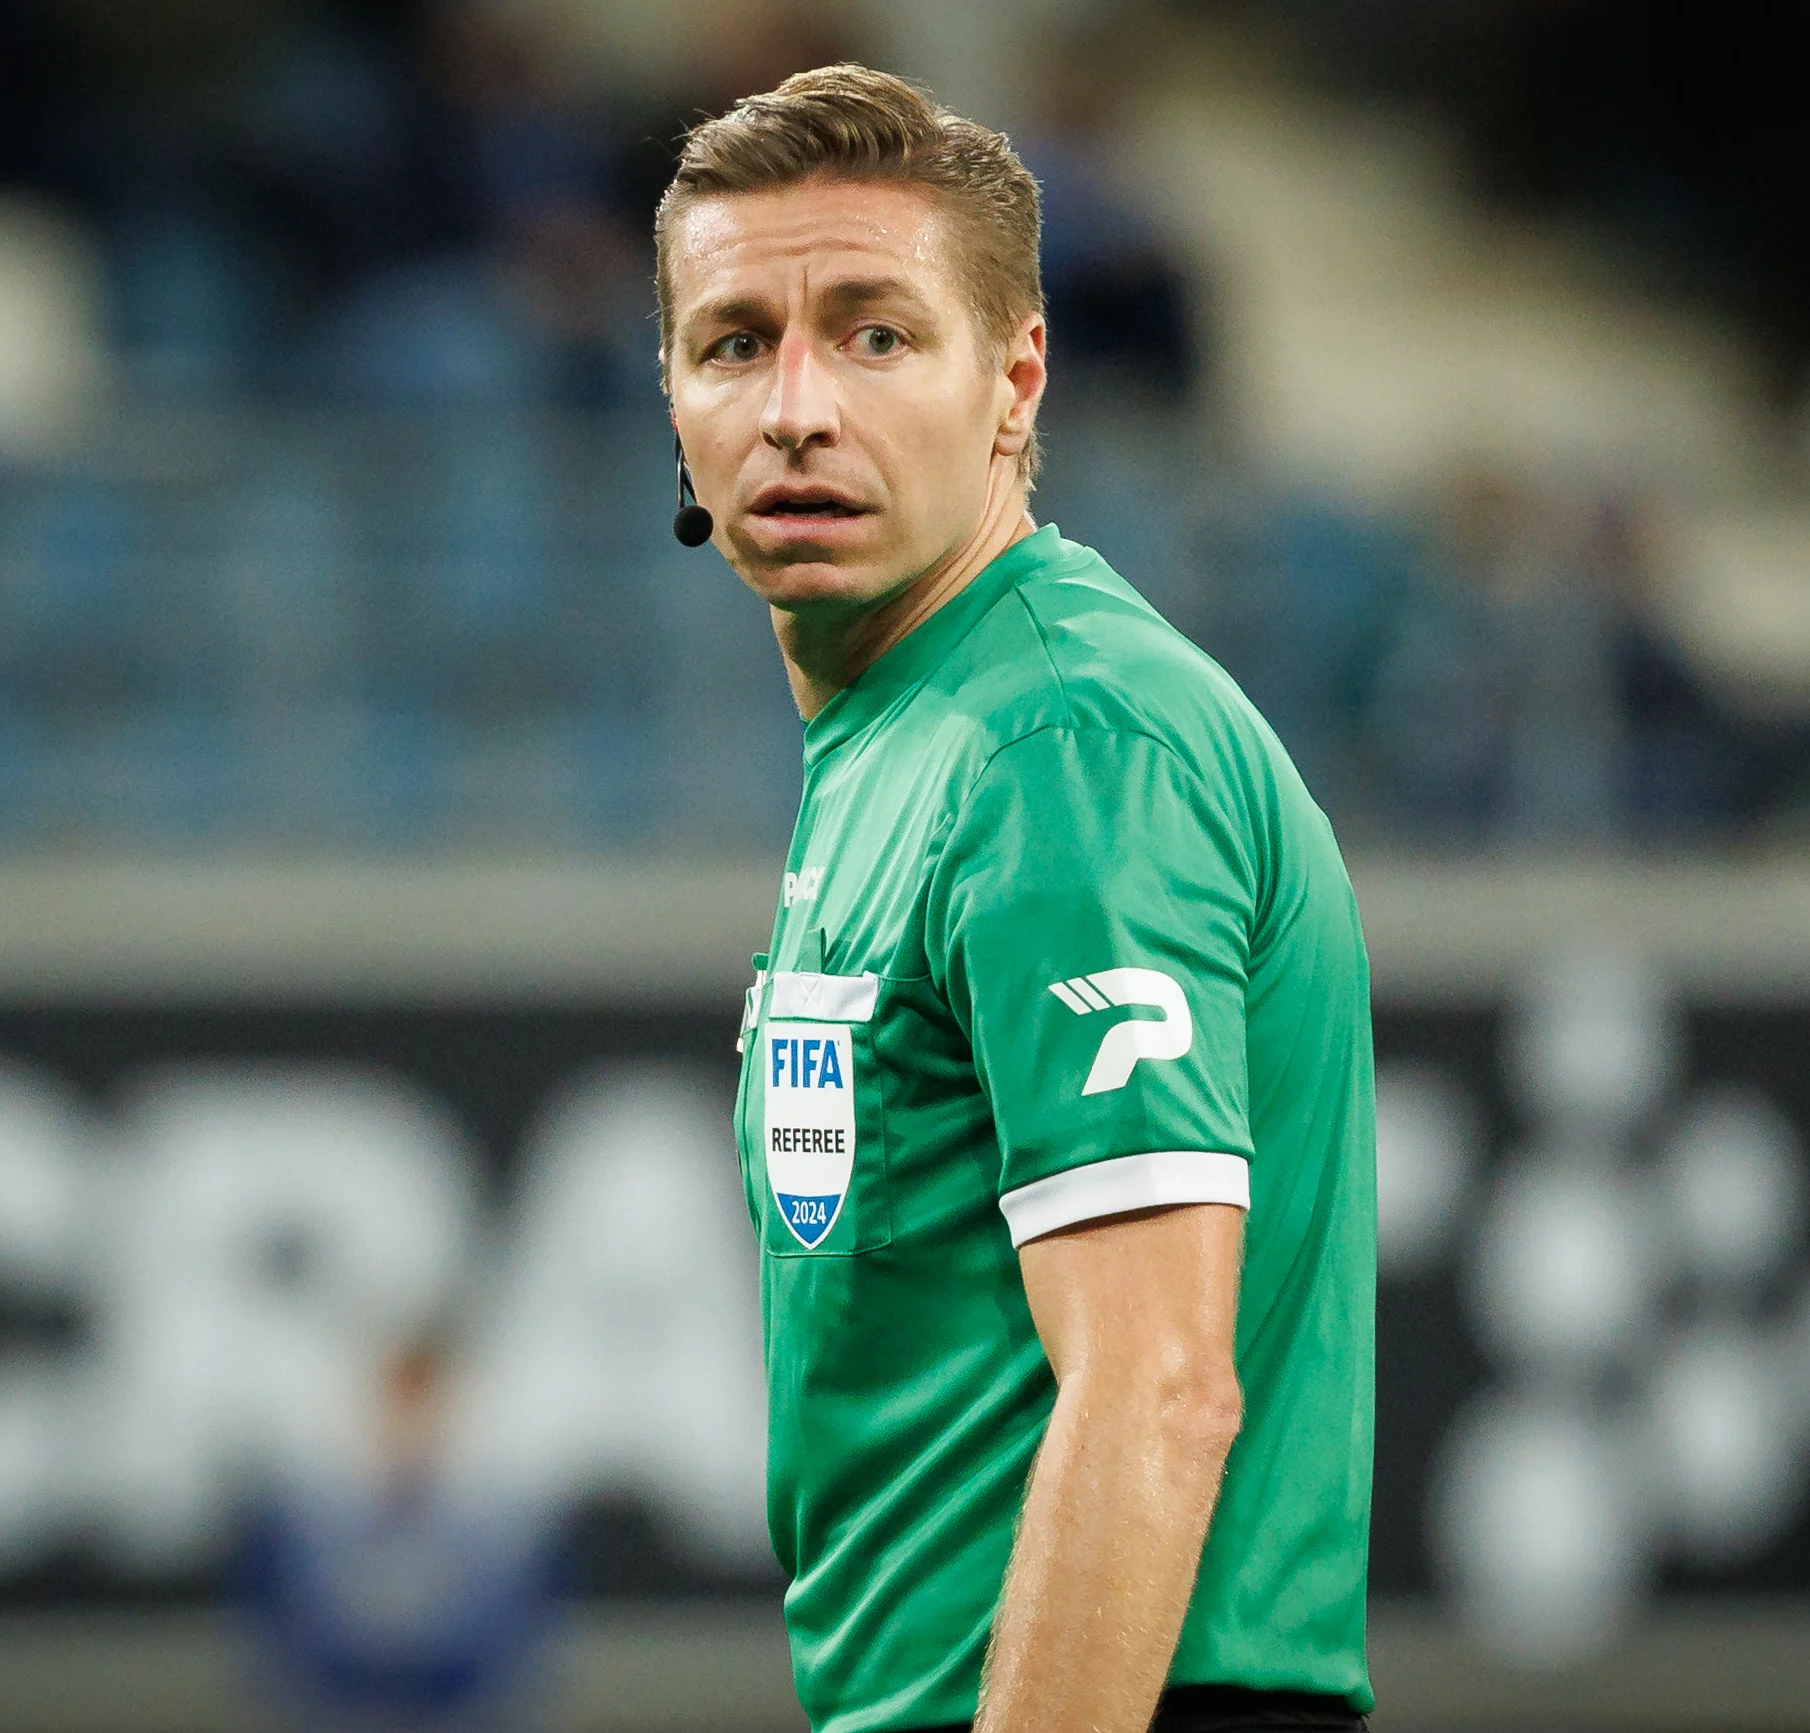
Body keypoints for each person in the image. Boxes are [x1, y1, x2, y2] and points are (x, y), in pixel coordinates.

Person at [657, 65, 1376, 1733]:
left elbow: (1155, 1383)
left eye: (875, 333)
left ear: (1015, 378)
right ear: (674, 401)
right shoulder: (912, 732)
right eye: (733, 342)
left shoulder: (1060, 743)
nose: (794, 409)